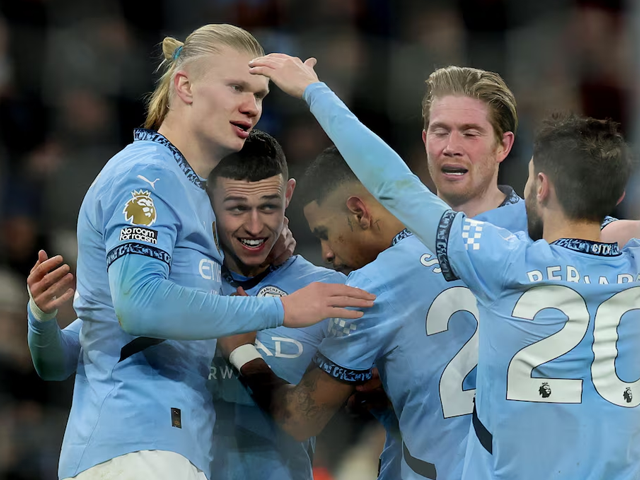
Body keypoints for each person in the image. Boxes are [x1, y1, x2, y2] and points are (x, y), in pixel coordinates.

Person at [244, 54, 640, 479]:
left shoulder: (500, 252)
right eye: (440, 131)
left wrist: (240, 344)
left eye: (470, 132)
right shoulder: (599, 249)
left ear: (504, 146)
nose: (452, 146)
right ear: (424, 138)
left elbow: (393, 184)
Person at [27, 28, 374, 480]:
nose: (252, 106)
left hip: (167, 452)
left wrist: (41, 319)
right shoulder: (148, 177)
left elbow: (73, 356)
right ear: (184, 86)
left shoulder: (186, 189)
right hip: (136, 449)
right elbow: (140, 305)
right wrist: (279, 309)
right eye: (236, 88)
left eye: (259, 93)